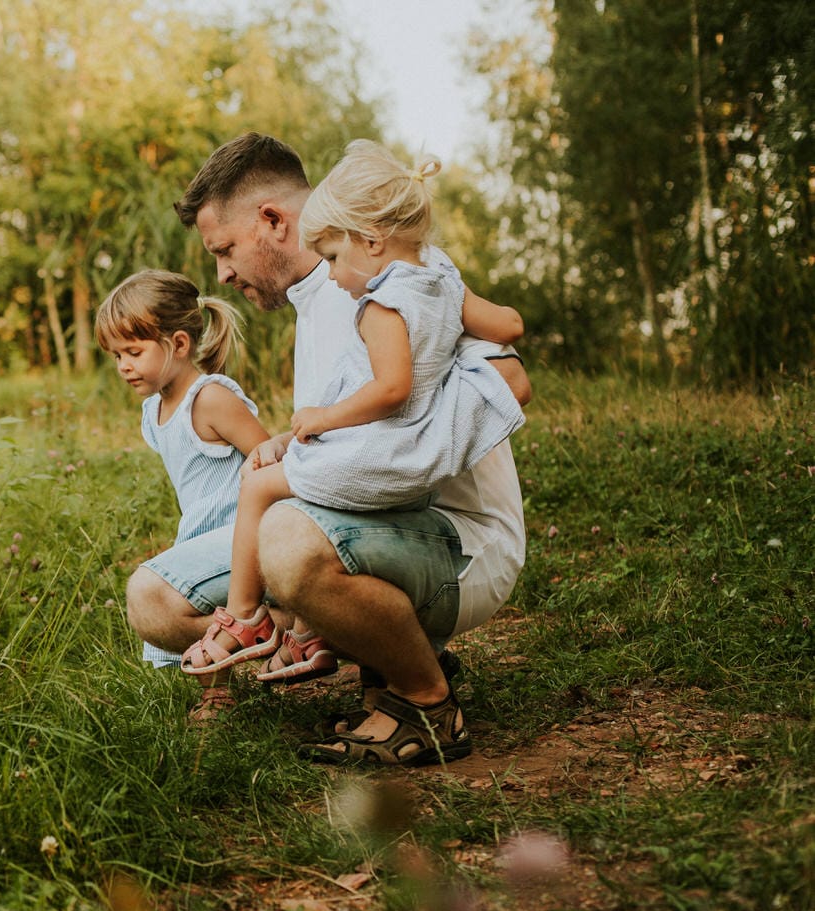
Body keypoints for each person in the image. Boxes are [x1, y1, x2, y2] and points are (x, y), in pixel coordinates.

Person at [127, 132, 529, 764]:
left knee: (286, 539)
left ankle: (424, 698)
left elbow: (510, 377)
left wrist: (403, 418)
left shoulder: (397, 273)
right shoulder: (321, 297)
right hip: (358, 521)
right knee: (153, 598)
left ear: (272, 220)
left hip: (456, 539)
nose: (222, 274)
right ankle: (364, 640)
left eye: (224, 250)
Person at [95, 269, 271, 676]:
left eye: (133, 352)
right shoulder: (153, 411)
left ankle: (289, 626)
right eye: (117, 356)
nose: (123, 366)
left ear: (177, 344)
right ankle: (219, 692)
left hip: (240, 533)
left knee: (166, 596)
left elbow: (270, 460)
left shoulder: (210, 399)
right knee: (195, 614)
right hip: (200, 530)